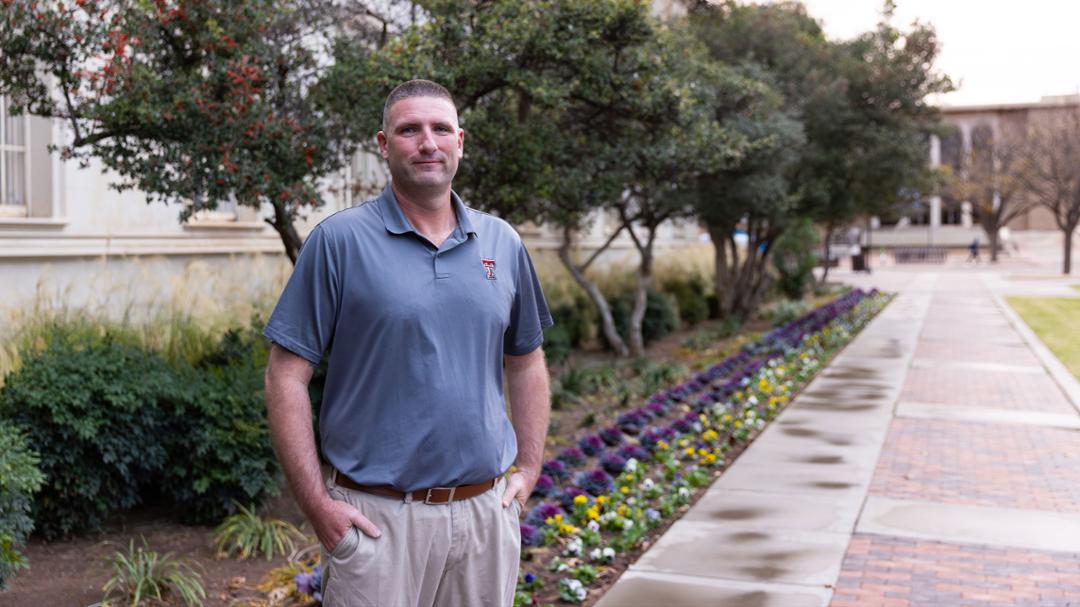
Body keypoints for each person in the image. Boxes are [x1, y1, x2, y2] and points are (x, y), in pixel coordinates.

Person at [263, 79, 553, 607]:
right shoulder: (339, 241)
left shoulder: (502, 243)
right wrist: (317, 506)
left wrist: (529, 470)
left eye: (441, 129)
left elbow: (527, 360)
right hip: (378, 523)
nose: (427, 142)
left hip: (485, 517)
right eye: (409, 130)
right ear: (383, 144)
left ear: (460, 142)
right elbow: (286, 373)